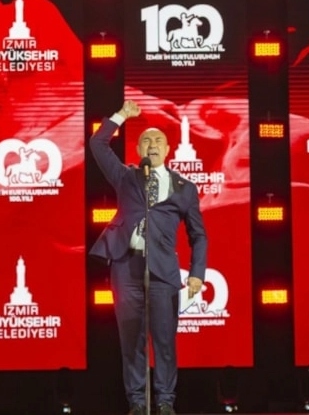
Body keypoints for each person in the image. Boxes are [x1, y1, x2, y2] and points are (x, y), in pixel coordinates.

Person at [89, 100, 208, 415]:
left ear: (168, 150)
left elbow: (198, 235)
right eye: (146, 140)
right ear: (138, 148)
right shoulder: (126, 177)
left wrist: (197, 273)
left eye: (158, 141)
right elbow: (98, 144)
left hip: (163, 272)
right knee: (132, 339)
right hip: (126, 267)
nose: (152, 145)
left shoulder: (184, 188)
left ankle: (165, 401)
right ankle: (138, 403)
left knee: (164, 341)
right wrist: (121, 116)